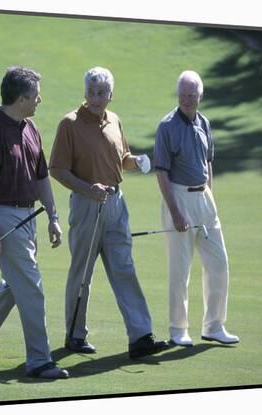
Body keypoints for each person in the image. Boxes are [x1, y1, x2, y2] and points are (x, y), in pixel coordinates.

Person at [49, 66, 169, 359]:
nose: (95, 97)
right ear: (85, 92)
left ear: (111, 95)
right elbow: (57, 169)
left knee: (124, 268)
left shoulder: (114, 120)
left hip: (116, 204)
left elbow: (121, 158)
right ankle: (75, 335)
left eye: (101, 92)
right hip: (87, 204)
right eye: (91, 92)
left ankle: (140, 336)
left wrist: (137, 161)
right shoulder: (70, 124)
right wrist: (88, 189)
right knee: (82, 273)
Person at [0, 66, 69, 379]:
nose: (40, 101)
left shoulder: (30, 127)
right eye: (35, 96)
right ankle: (39, 360)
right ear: (21, 99)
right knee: (31, 287)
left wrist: (53, 216)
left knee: (16, 283)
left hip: (28, 217)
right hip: (2, 215)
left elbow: (41, 177)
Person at [153, 70, 240, 347]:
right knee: (180, 271)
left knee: (219, 264)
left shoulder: (204, 123)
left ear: (200, 95)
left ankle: (214, 325)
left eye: (192, 95)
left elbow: (208, 162)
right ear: (178, 95)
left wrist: (210, 196)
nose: (187, 99)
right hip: (178, 199)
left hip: (204, 199)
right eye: (183, 95)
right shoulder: (166, 126)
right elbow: (161, 173)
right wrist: (176, 212)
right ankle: (178, 329)